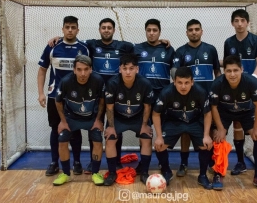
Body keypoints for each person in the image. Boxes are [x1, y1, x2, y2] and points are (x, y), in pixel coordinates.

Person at [48, 18, 170, 173]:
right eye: (103, 27)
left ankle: (119, 161)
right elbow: (73, 41)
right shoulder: (91, 44)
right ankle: (94, 163)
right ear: (99, 30)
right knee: (97, 127)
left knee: (118, 126)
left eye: (109, 27)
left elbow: (142, 50)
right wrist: (60, 39)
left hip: (118, 93)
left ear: (114, 30)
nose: (106, 30)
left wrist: (160, 42)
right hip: (97, 95)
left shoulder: (124, 46)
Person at [38, 16, 88, 176]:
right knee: (56, 130)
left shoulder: (84, 48)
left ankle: (77, 162)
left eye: (73, 27)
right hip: (55, 96)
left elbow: (88, 72)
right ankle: (54, 162)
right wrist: (40, 93)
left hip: (76, 98)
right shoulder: (52, 46)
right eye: (67, 27)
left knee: (76, 129)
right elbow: (42, 70)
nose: (70, 30)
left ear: (78, 30)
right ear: (62, 29)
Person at [222, 9, 257, 180]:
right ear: (232, 23)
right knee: (237, 126)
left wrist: (253, 78)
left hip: (252, 90)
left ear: (248, 22)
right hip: (235, 92)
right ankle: (240, 162)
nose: (240, 23)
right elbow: (228, 64)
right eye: (236, 20)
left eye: (243, 20)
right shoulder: (229, 42)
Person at [210, 55, 257, 191]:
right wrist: (220, 128)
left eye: (235, 70)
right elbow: (213, 107)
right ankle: (218, 173)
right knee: (217, 137)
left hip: (247, 112)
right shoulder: (217, 83)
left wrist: (256, 128)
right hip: (224, 112)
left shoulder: (252, 82)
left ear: (242, 69)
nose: (232, 74)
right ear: (224, 72)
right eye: (228, 71)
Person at [152, 67, 213, 190]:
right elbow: (155, 114)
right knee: (159, 145)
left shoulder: (200, 92)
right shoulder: (166, 92)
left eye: (186, 83)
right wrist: (158, 137)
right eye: (179, 82)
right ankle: (167, 171)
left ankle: (202, 175)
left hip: (194, 122)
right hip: (173, 122)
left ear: (192, 82)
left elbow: (207, 114)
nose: (183, 86)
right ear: (174, 82)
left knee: (206, 145)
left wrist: (206, 135)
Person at [174, 19, 221, 177]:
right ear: (186, 32)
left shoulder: (211, 49)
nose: (194, 32)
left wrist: (217, 92)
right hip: (187, 100)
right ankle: (184, 163)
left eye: (196, 29)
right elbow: (175, 75)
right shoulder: (180, 51)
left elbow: (217, 73)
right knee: (186, 131)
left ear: (202, 31)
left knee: (211, 129)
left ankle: (210, 162)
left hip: (208, 97)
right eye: (191, 30)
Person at [53, 55, 105, 186]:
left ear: (91, 69)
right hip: (71, 118)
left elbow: (103, 101)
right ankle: (65, 174)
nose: (83, 73)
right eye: (79, 69)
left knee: (98, 141)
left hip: (91, 118)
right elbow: (58, 102)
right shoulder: (66, 81)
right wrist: (63, 121)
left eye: (86, 69)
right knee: (62, 141)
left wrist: (98, 119)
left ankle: (95, 173)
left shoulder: (98, 80)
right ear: (74, 70)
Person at [133, 18, 178, 174]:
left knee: (161, 134)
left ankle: (164, 166)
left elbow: (176, 73)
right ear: (145, 31)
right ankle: (143, 164)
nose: (151, 33)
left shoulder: (169, 50)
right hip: (142, 97)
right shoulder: (137, 48)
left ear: (159, 32)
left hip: (163, 98)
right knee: (144, 132)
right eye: (149, 30)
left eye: (155, 30)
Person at [103, 53, 154, 186]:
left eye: (131, 69)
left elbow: (147, 106)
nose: (128, 72)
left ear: (137, 69)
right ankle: (112, 172)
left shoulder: (145, 83)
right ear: (120, 69)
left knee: (146, 137)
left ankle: (144, 172)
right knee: (110, 139)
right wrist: (111, 126)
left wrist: (144, 125)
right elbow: (109, 107)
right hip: (118, 118)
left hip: (138, 117)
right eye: (125, 69)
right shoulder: (112, 83)